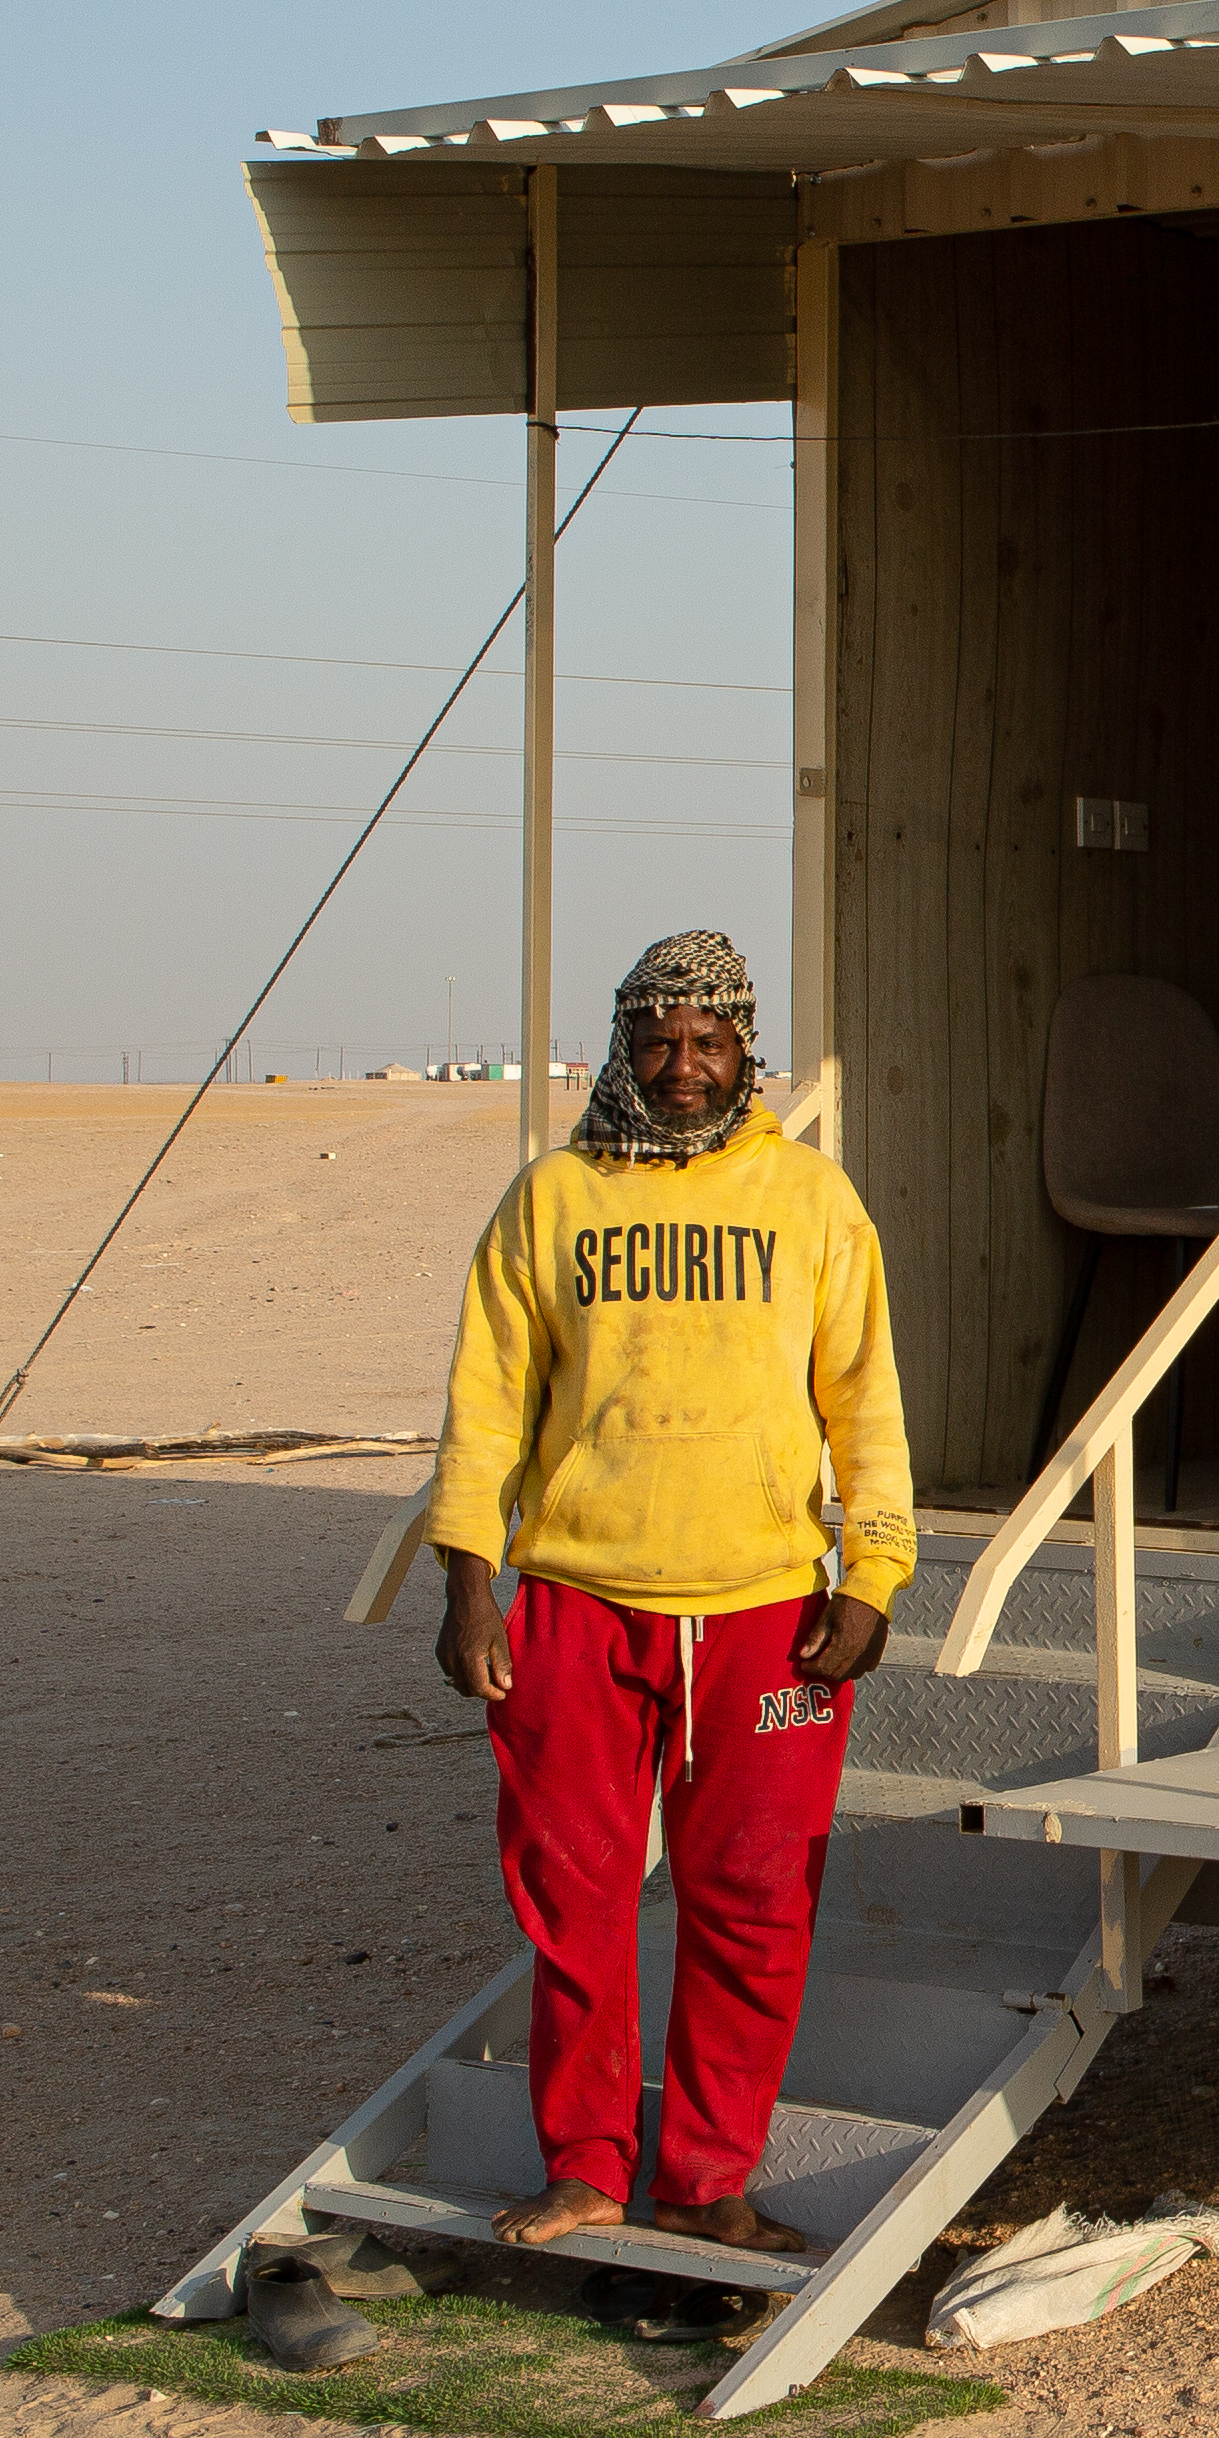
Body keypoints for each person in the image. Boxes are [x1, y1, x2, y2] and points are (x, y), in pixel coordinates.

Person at [422, 929, 913, 2262]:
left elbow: (864, 1402)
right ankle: (585, 2166)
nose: (682, 1065)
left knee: (753, 1903)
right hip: (576, 1606)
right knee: (572, 1898)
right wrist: (473, 1589)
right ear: (624, 1044)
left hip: (765, 1617)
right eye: (658, 1038)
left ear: (746, 1049)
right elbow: (486, 1414)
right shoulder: (554, 1200)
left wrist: (871, 1575)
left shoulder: (811, 1200)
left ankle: (707, 2178)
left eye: (708, 1041)